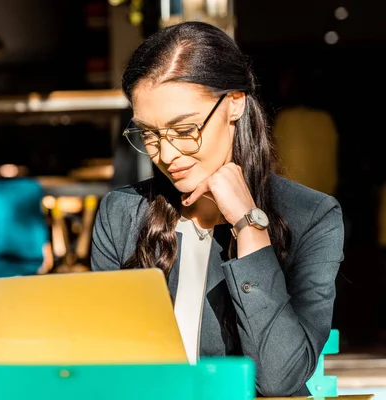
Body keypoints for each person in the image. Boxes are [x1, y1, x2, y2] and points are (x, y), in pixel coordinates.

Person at [91, 21, 344, 397]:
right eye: (149, 134)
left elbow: (280, 380)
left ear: (235, 104)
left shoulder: (311, 216)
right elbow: (104, 364)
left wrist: (248, 225)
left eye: (184, 130)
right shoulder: (123, 214)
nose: (167, 154)